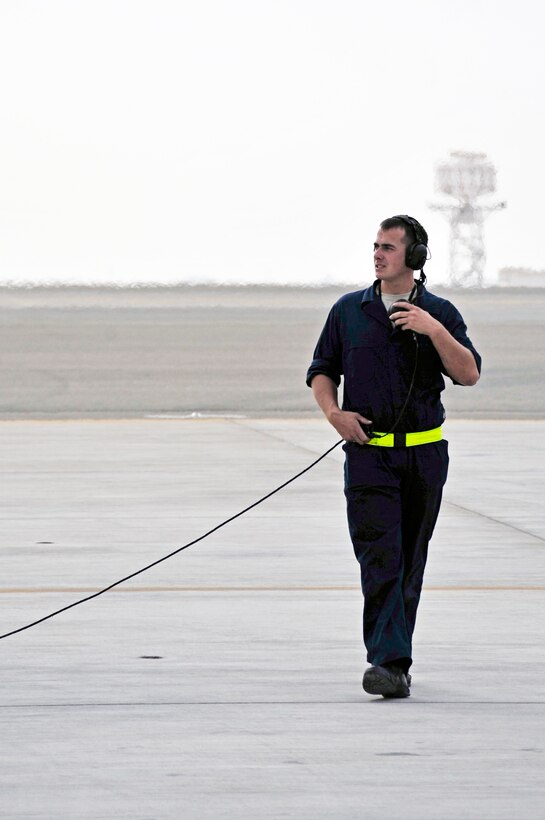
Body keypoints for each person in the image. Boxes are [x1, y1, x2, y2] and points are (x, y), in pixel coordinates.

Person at [306, 215, 481, 698]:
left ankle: (395, 664)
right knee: (380, 558)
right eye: (376, 246)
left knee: (409, 561)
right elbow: (322, 370)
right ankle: (388, 663)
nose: (378, 255)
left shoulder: (440, 312)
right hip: (369, 457)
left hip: (424, 457)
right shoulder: (349, 310)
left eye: (388, 247)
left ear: (415, 257)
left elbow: (468, 374)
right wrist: (334, 414)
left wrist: (432, 330)